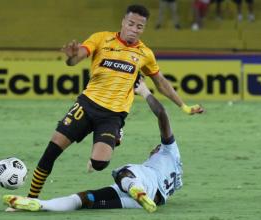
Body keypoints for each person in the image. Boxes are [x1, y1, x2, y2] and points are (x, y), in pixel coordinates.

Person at [27, 4, 203, 199]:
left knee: (99, 164)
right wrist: (70, 58)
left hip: (112, 116)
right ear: (123, 22)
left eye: (139, 27)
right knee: (53, 149)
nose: (134, 30)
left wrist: (184, 106)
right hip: (86, 105)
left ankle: (116, 135)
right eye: (131, 24)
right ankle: (31, 198)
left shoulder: (145, 54)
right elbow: (77, 58)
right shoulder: (101, 38)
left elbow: (160, 82)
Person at [4, 77, 184, 213]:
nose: (153, 149)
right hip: (152, 198)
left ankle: (134, 188)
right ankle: (40, 205)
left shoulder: (169, 150)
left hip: (143, 183)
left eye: (156, 148)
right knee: (85, 199)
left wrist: (145, 91)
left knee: (125, 172)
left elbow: (162, 113)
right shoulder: (175, 175)